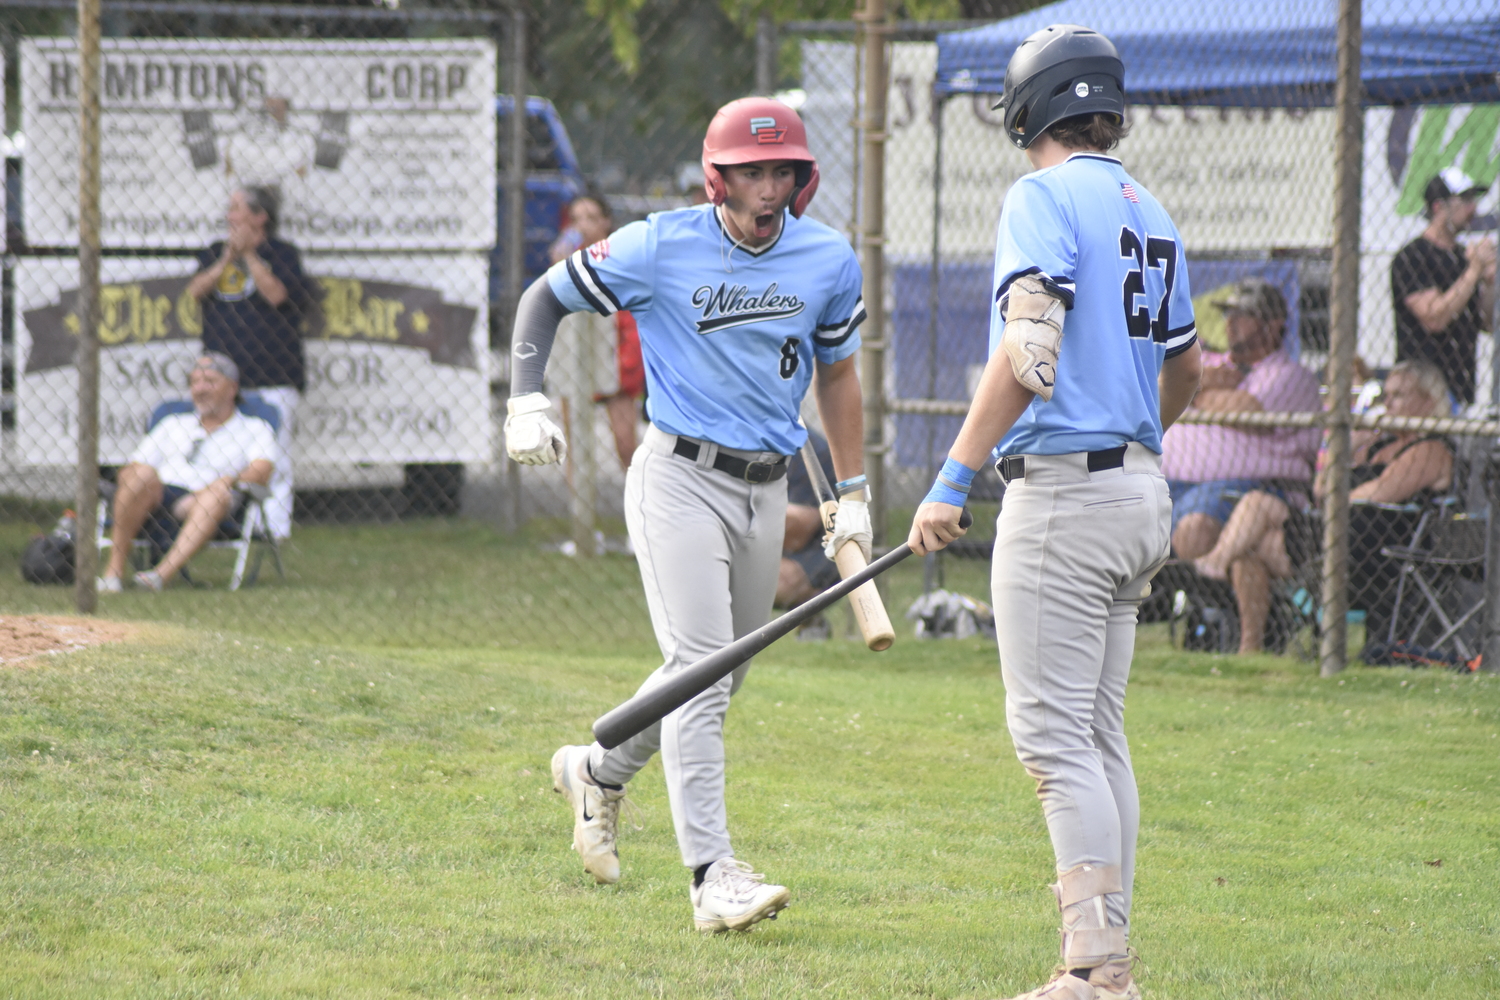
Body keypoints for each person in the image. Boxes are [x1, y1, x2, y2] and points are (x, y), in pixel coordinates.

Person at [510, 97, 870, 933]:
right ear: (718, 177)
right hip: (677, 476)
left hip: (767, 485)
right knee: (703, 668)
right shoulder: (659, 243)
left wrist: (848, 495)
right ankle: (713, 877)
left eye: (783, 171)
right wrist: (526, 399)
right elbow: (543, 298)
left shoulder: (826, 259)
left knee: (719, 673)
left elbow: (840, 377)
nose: (769, 187)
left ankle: (596, 769)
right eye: (752, 171)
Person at [907, 26, 1201, 1000]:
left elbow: (1029, 348)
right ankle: (1108, 964)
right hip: (1139, 491)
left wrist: (953, 475)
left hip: (1068, 501)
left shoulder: (1039, 195)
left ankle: (1094, 970)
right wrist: (1124, 434)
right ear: (1109, 106)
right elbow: (1188, 368)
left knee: (1054, 742)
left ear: (1027, 108)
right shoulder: (1149, 206)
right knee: (1099, 734)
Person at [1196, 360, 1455, 655]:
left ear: (1428, 401)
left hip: (1377, 553)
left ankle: (1213, 566)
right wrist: (1348, 444)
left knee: (1255, 521)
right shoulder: (1376, 446)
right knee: (1250, 541)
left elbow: (1381, 492)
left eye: (1399, 396)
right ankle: (1249, 648)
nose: (1388, 404)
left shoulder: (1431, 449)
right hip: (1333, 534)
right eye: (1387, 396)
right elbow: (1320, 489)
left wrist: (1339, 496)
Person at [1161, 278, 1320, 565]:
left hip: (1249, 487)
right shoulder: (1211, 364)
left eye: (1243, 315)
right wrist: (1204, 383)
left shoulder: (1289, 374)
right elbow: (1162, 386)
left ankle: (1210, 608)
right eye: (1228, 313)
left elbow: (1247, 413)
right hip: (1167, 480)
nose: (1230, 322)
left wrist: (1195, 388)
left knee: (1194, 530)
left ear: (1272, 326)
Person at [100, 354, 277, 593]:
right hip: (158, 495)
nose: (200, 389)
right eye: (195, 382)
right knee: (139, 475)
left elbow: (262, 469)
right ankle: (114, 574)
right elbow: (131, 469)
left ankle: (159, 577)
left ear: (232, 388)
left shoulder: (254, 428)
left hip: (208, 498)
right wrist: (141, 476)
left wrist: (229, 480)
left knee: (216, 495)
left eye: (210, 382)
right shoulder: (173, 423)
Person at [188, 186, 306, 539]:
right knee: (220, 453)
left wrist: (251, 256)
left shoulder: (283, 254)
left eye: (237, 209)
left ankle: (274, 528)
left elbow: (277, 294)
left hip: (273, 373)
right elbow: (195, 291)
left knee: (274, 457)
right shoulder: (213, 251)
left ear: (260, 217)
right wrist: (227, 259)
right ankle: (218, 523)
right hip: (223, 378)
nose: (230, 216)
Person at [549, 195, 646, 471]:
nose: (583, 226)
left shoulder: (619, 259)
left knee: (626, 444)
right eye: (576, 219)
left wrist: (628, 363)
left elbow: (629, 318)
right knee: (574, 446)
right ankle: (579, 511)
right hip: (577, 356)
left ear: (606, 221)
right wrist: (565, 248)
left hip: (613, 357)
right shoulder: (570, 259)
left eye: (591, 218)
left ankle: (640, 504)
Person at [1391, 167, 1496, 408]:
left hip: (1462, 389)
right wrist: (1473, 273)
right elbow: (1434, 317)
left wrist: (1488, 281)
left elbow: (1487, 322)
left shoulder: (1463, 258)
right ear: (1439, 207)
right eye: (1465, 200)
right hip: (1423, 392)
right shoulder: (1413, 256)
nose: (1473, 210)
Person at [775, 430, 841, 614]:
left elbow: (797, 533)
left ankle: (810, 617)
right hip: (767, 545)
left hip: (814, 553)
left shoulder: (809, 449)